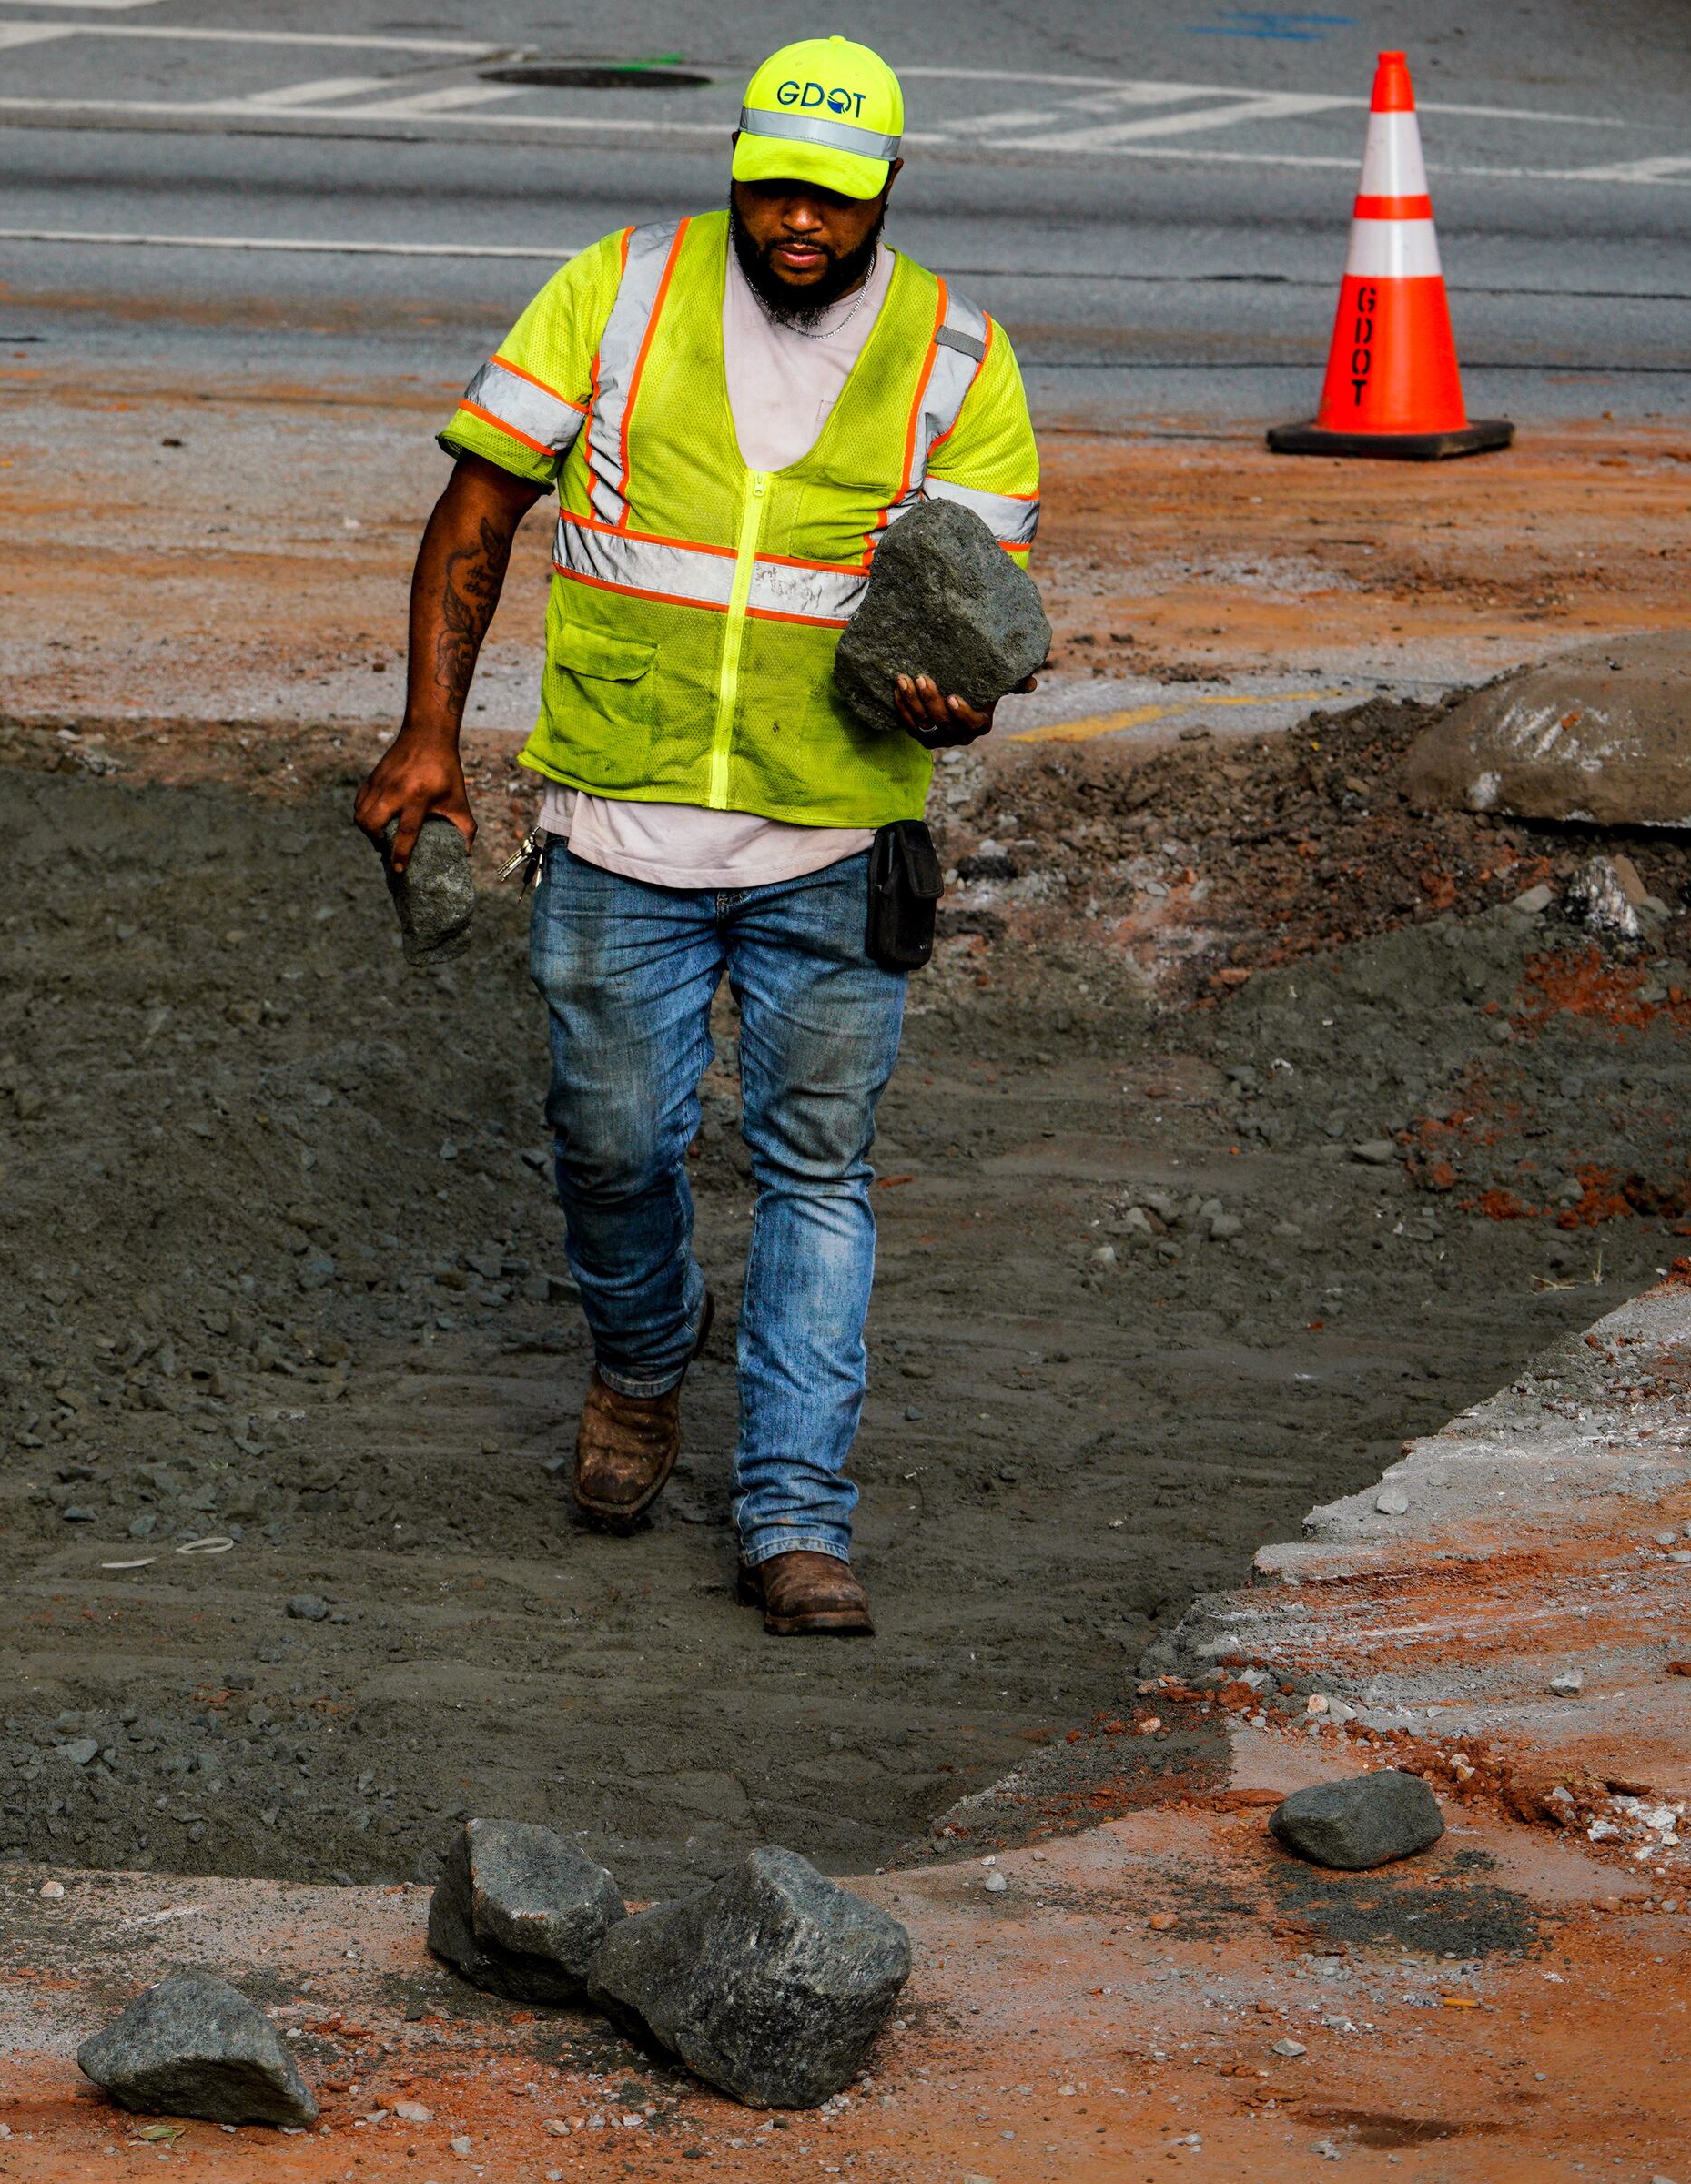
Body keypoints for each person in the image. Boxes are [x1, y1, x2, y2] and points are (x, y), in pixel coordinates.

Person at [353, 34, 1040, 1637]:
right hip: (617, 819)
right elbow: (477, 512)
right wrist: (430, 730)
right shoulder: (616, 289)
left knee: (820, 1171)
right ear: (735, 169)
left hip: (839, 836)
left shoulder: (958, 354)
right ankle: (645, 1357)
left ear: (887, 193)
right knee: (611, 1145)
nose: (802, 223)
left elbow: (987, 616)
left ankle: (795, 1518)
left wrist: (964, 703)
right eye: (776, 188)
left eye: (838, 197)